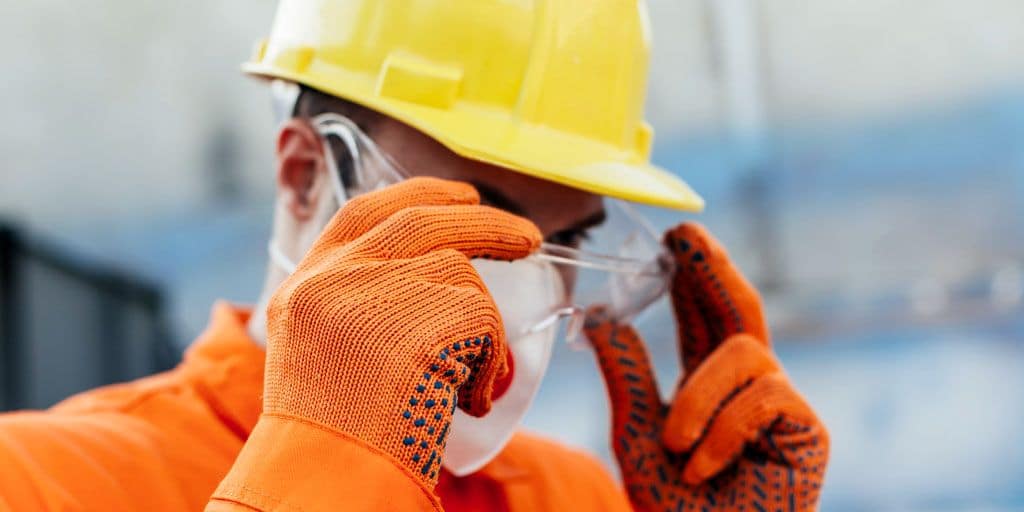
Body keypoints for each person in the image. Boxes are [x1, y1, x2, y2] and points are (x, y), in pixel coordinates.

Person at [0, 1, 829, 511]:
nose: (526, 295)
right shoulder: (44, 483)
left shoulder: (576, 501)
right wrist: (328, 475)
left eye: (564, 245)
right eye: (477, 222)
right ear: (302, 176)